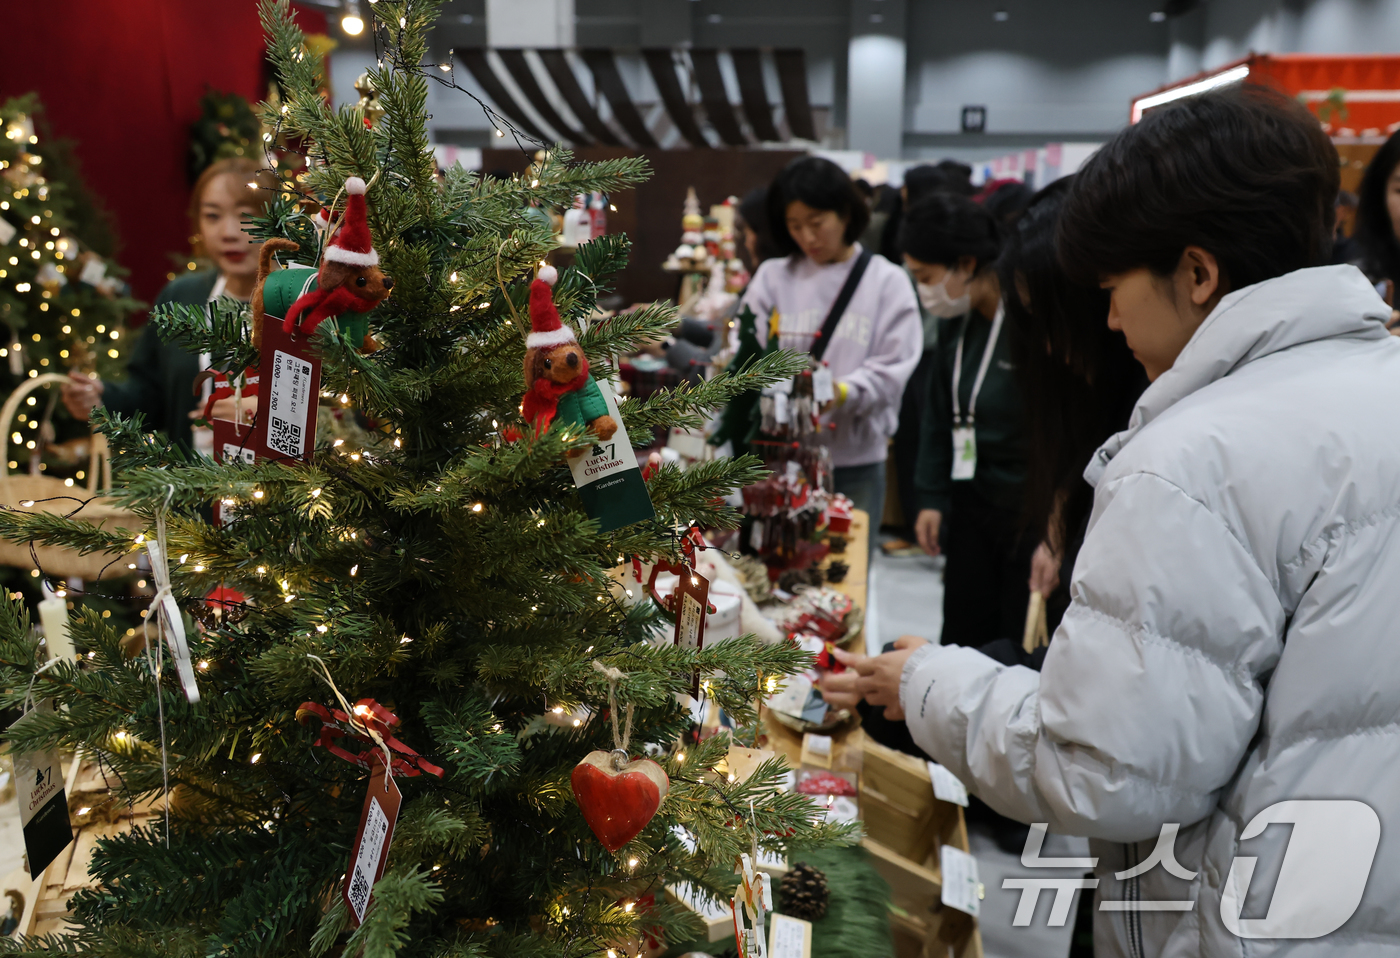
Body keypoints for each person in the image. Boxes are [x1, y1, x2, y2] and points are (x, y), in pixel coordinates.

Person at [845, 85, 1400, 956]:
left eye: (1113, 289)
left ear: (1197, 272)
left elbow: (1101, 769)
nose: (1106, 321)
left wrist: (929, 685)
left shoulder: (1192, 459)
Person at [741, 156, 921, 525]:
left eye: (816, 223)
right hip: (777, 459)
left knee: (844, 573)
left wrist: (842, 393)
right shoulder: (773, 278)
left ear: (845, 214)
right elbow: (745, 353)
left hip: (853, 462)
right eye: (795, 225)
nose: (807, 237)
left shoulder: (887, 282)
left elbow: (894, 368)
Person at [1007, 180, 1147, 641]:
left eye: (1055, 322)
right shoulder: (1089, 395)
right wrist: (1056, 526)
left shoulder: (1161, 417)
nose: (1049, 346)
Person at [62, 157, 276, 449]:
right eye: (213, 216)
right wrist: (101, 399)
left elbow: (337, 409)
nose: (228, 232)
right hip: (194, 487)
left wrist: (270, 415)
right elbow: (152, 396)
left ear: (276, 218)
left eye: (246, 215)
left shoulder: (302, 302)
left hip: (285, 487)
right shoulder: (181, 297)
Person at [905, 194, 1029, 647]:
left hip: (1026, 511)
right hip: (971, 503)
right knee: (962, 627)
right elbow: (937, 417)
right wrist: (931, 496)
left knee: (1015, 637)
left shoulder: (1029, 321)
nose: (924, 291)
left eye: (926, 277)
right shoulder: (956, 323)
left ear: (966, 262)